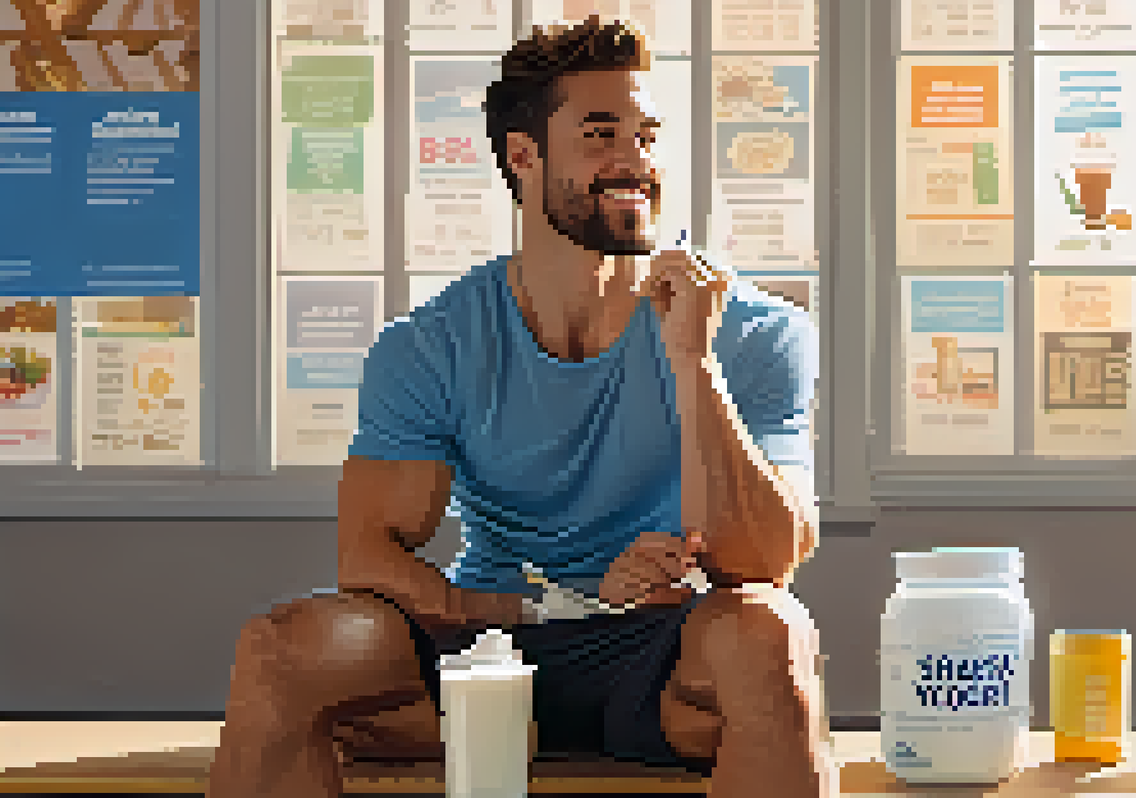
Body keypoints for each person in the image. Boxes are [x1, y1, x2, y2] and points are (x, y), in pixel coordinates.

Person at [207, 15, 831, 798]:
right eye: (601, 134)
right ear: (523, 157)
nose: (633, 158)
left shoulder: (755, 334)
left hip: (668, 655)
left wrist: (690, 358)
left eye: (647, 134)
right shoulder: (430, 346)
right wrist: (549, 607)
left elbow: (767, 562)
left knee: (770, 634)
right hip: (487, 642)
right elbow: (370, 560)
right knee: (279, 649)